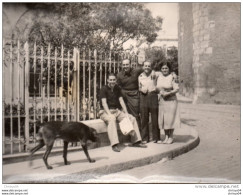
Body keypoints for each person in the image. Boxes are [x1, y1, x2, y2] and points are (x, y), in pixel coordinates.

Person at [99, 73, 147, 152]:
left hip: (116, 111)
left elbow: (121, 101)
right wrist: (110, 114)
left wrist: (126, 113)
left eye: (114, 80)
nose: (112, 81)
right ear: (107, 80)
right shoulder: (103, 89)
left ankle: (136, 141)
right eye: (110, 80)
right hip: (105, 112)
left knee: (132, 118)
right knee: (112, 120)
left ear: (116, 80)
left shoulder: (117, 88)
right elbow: (104, 103)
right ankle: (114, 144)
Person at [156, 63, 180, 144]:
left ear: (169, 69)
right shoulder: (159, 76)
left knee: (170, 119)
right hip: (162, 101)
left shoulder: (172, 77)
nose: (164, 70)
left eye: (166, 68)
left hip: (171, 100)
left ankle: (171, 136)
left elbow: (177, 89)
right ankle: (166, 136)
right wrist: (160, 92)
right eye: (162, 68)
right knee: (164, 119)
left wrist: (168, 93)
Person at [117, 59, 143, 131]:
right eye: (124, 65)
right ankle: (128, 134)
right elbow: (118, 87)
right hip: (124, 95)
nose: (125, 66)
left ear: (130, 64)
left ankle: (138, 135)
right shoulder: (119, 75)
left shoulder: (136, 71)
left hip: (134, 95)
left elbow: (147, 69)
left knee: (135, 115)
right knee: (125, 115)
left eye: (127, 64)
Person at [138, 61, 160, 144]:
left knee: (155, 117)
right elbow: (139, 87)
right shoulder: (140, 76)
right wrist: (141, 89)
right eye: (145, 66)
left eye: (149, 66)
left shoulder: (155, 74)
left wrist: (154, 71)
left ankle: (156, 137)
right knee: (144, 118)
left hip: (153, 96)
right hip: (143, 96)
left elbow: (163, 73)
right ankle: (145, 138)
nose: (147, 67)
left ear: (151, 67)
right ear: (143, 67)